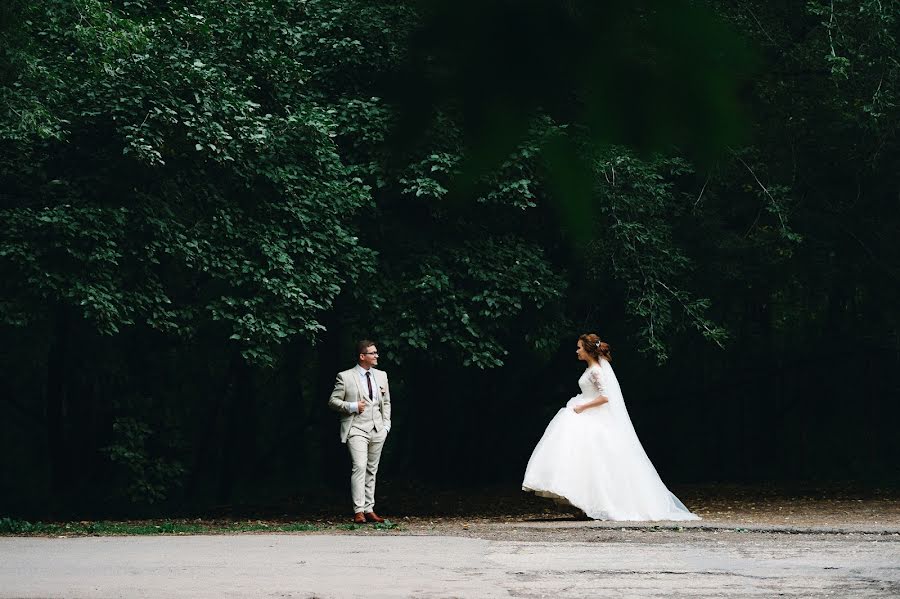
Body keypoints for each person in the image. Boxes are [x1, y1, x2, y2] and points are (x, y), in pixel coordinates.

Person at [522, 333, 699, 521]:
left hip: (590, 414)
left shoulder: (596, 371)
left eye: (580, 347)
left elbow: (606, 397)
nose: (577, 351)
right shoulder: (591, 369)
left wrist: (583, 406)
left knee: (594, 460)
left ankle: (597, 503)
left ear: (588, 350)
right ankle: (583, 502)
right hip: (583, 411)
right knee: (581, 459)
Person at [327, 339, 392, 523]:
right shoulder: (345, 376)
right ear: (362, 356)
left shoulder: (382, 375)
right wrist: (353, 406)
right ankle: (359, 510)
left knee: (372, 469)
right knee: (360, 466)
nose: (376, 356)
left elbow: (386, 402)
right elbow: (333, 401)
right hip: (356, 428)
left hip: (378, 428)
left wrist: (386, 425)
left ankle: (369, 508)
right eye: (373, 353)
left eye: (376, 352)